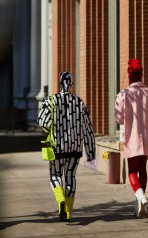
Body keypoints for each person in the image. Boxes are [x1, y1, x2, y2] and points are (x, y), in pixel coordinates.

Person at [38, 71, 96, 222]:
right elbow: (88, 128)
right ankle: (69, 212)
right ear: (71, 84)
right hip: (75, 147)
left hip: (57, 146)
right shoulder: (79, 102)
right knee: (70, 176)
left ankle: (60, 200)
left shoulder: (51, 100)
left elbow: (43, 122)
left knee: (55, 175)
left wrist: (52, 126)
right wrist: (91, 150)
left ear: (59, 83)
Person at [115, 59, 148, 218]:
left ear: (129, 75)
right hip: (147, 139)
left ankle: (141, 197)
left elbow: (118, 118)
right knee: (143, 168)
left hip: (132, 138)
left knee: (132, 171)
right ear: (141, 75)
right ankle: (139, 206)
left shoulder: (123, 95)